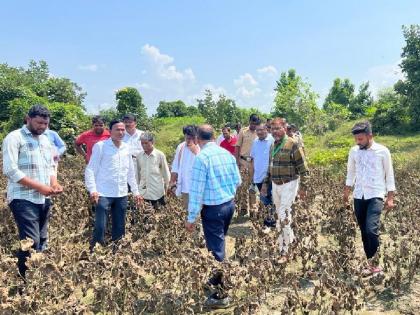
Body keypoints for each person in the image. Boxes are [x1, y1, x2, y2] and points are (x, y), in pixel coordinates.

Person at [2, 104, 63, 277]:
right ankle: (25, 280)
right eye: (38, 123)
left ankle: (38, 278)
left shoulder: (45, 140)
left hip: (43, 198)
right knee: (31, 241)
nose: (42, 127)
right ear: (28, 119)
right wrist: (40, 187)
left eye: (45, 124)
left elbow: (51, 166)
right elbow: (10, 170)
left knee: (42, 240)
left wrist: (54, 183)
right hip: (23, 197)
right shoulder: (14, 138)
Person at [185, 124, 241, 309]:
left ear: (198, 139)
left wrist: (191, 217)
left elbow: (197, 191)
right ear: (214, 136)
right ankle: (216, 278)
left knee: (216, 251)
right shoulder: (226, 153)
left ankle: (221, 295)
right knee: (219, 244)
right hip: (229, 205)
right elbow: (238, 181)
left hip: (214, 209)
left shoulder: (202, 158)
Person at [344, 121, 395, 276]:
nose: (358, 142)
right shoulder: (354, 151)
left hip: (376, 195)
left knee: (371, 229)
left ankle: (376, 264)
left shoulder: (383, 151)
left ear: (370, 136)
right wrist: (346, 192)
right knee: (364, 232)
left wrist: (390, 197)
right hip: (359, 195)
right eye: (356, 139)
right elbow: (351, 173)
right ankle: (371, 264)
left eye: (360, 139)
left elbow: (389, 174)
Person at [85, 119, 142, 249]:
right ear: (110, 131)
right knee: (100, 225)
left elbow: (130, 172)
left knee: (120, 225)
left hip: (121, 192)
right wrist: (93, 190)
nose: (121, 132)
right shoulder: (100, 146)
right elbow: (90, 169)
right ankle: (96, 252)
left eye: (123, 129)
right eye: (118, 129)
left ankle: (118, 252)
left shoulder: (126, 148)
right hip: (103, 192)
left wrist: (136, 192)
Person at [261, 118, 309, 262]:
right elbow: (270, 167)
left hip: (289, 184)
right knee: (279, 214)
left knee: (283, 215)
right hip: (275, 185)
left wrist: (303, 188)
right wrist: (265, 184)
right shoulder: (273, 145)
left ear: (285, 128)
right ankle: (291, 242)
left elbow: (303, 168)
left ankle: (285, 252)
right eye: (272, 129)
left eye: (277, 128)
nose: (274, 131)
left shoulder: (292, 144)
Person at [136, 132, 171, 209]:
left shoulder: (160, 155)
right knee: (144, 216)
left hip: (157, 192)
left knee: (159, 215)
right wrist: (137, 190)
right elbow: (137, 174)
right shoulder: (139, 156)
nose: (144, 145)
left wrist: (168, 187)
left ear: (152, 142)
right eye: (142, 143)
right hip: (143, 193)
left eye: (146, 143)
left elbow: (166, 172)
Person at [169, 125, 200, 209]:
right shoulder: (181, 147)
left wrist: (196, 152)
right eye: (186, 137)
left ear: (196, 136)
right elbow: (176, 166)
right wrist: (172, 181)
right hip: (185, 187)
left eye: (191, 137)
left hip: (198, 188)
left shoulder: (201, 147)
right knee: (188, 213)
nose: (188, 140)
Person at [234, 114, 260, 216]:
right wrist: (237, 162)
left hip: (254, 164)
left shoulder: (260, 132)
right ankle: (243, 209)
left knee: (253, 186)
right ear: (249, 122)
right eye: (252, 123)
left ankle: (253, 208)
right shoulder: (243, 131)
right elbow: (237, 147)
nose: (254, 126)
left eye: (256, 124)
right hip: (243, 162)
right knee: (243, 186)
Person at [250, 123, 274, 211]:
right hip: (258, 176)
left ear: (266, 130)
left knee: (269, 199)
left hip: (270, 177)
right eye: (257, 130)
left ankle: (271, 221)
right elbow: (253, 159)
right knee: (264, 200)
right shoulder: (255, 141)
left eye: (261, 130)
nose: (259, 132)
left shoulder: (272, 140)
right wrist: (252, 176)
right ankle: (269, 221)